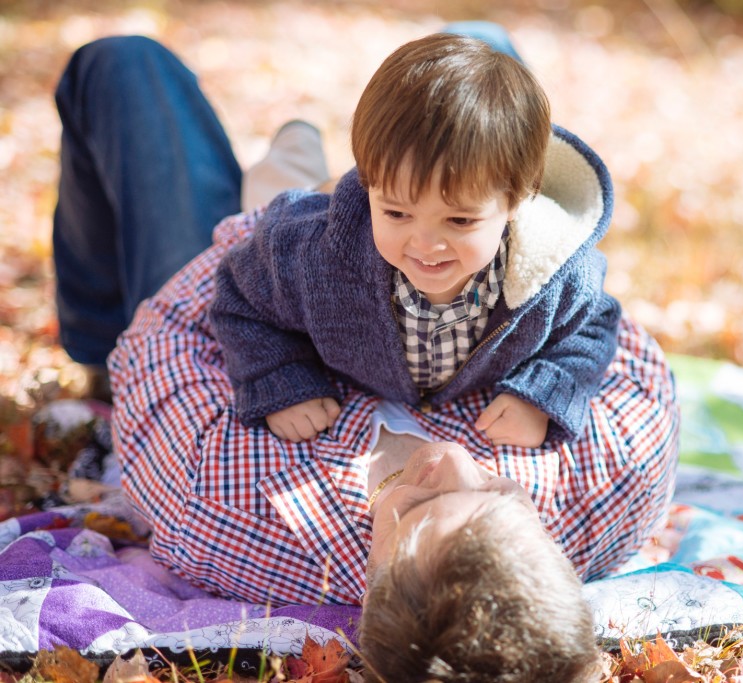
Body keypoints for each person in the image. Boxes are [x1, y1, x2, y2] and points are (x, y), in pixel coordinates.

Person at [52, 26, 680, 682]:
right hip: (357, 230)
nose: (441, 464)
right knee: (478, 44)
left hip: (264, 266)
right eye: (490, 492)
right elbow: (613, 336)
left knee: (122, 65)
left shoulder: (243, 511)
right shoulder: (608, 488)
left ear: (373, 583)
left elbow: (179, 327)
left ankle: (111, 321)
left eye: (412, 508)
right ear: (537, 531)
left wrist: (278, 361)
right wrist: (548, 385)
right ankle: (339, 180)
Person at [208, 33, 619, 451]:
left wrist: (543, 396)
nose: (425, 243)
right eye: (397, 213)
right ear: (369, 187)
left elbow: (591, 328)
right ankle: (296, 139)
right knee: (272, 185)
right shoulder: (305, 252)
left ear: (516, 200)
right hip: (301, 199)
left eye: (459, 219)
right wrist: (280, 377)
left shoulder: (557, 278)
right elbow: (240, 299)